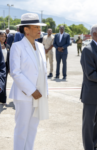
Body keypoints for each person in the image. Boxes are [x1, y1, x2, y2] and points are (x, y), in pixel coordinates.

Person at [9, 13, 49, 150]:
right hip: (24, 95)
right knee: (22, 129)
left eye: (39, 27)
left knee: (33, 128)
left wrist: (45, 92)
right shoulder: (17, 46)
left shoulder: (41, 47)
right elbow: (15, 72)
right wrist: (32, 90)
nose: (39, 30)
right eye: (36, 27)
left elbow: (43, 72)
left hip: (39, 94)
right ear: (26, 29)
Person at [0, 32, 10, 104]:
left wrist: (9, 67)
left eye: (5, 36)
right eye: (2, 36)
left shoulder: (8, 46)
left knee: (4, 83)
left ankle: (3, 99)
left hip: (5, 68)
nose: (3, 38)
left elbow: (9, 58)